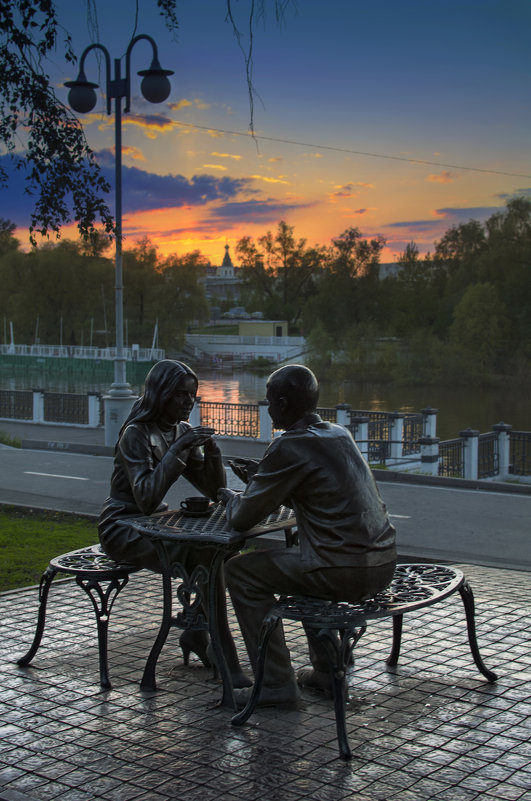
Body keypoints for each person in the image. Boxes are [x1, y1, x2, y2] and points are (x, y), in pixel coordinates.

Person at [219, 364, 396, 707]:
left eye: (270, 401)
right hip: (383, 561)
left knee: (239, 573)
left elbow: (241, 520)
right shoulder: (338, 434)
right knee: (303, 562)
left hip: (342, 569)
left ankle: (275, 685)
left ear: (283, 403)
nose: (268, 408)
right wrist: (267, 479)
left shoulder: (289, 444)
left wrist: (233, 497)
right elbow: (317, 491)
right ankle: (328, 671)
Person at [98, 358, 250, 687]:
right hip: (123, 526)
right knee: (206, 562)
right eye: (180, 395)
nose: (188, 402)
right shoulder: (135, 434)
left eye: (191, 395)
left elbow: (211, 489)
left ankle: (196, 632)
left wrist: (211, 452)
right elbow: (146, 498)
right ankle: (228, 664)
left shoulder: (179, 431)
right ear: (161, 394)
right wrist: (177, 450)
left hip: (155, 522)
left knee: (225, 555)